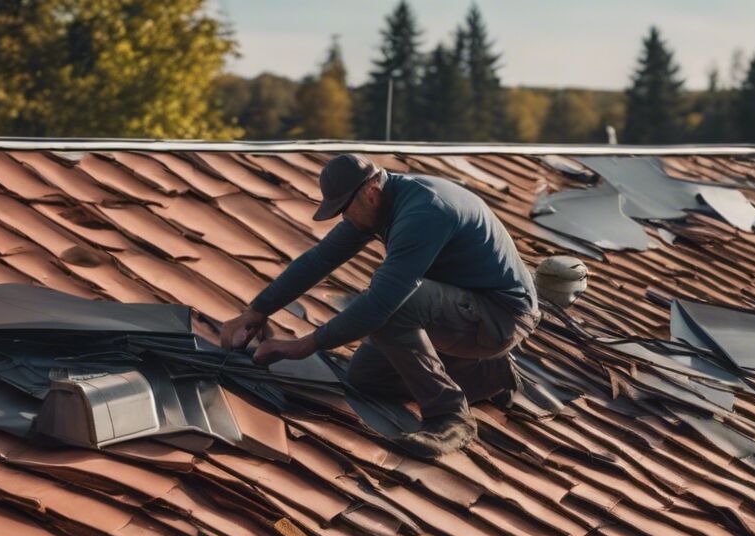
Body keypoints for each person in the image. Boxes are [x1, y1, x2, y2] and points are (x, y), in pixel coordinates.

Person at [220, 154, 539, 459]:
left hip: (501, 317)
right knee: (365, 378)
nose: (345, 218)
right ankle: (485, 373)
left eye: (345, 210)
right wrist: (257, 311)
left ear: (370, 193)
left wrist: (304, 346)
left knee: (393, 306)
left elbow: (382, 303)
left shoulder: (425, 212)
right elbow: (321, 258)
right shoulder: (384, 200)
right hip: (462, 311)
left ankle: (449, 417)